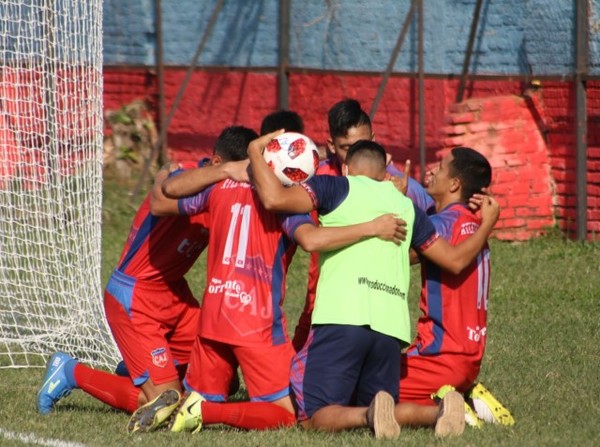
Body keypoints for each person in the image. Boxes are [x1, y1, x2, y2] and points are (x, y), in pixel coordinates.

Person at [127, 126, 405, 433]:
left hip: (213, 318)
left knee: (194, 395)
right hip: (255, 323)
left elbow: (166, 198)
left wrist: (177, 177)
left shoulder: (220, 186)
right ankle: (205, 412)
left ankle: (194, 406)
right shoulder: (286, 205)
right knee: (288, 414)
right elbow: (311, 239)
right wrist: (372, 225)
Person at [247, 133, 500, 439]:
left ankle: (368, 415)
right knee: (384, 406)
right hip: (390, 331)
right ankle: (440, 412)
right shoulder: (408, 209)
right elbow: (454, 260)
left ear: (346, 170)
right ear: (385, 175)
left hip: (342, 318)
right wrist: (487, 224)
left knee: (313, 416)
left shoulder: (334, 186)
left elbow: (274, 199)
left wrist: (254, 152)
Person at [37, 157, 212, 417]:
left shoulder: (232, 192)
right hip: (136, 298)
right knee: (167, 403)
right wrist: (164, 175)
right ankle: (71, 371)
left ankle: (134, 369)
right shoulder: (188, 180)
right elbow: (167, 180)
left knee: (217, 380)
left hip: (176, 294)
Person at [292, 98, 433, 351]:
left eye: (362, 144)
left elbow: (437, 228)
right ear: (331, 146)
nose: (354, 154)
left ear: (374, 139)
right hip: (320, 302)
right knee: (295, 376)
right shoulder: (317, 180)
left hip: (371, 309)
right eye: (346, 147)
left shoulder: (397, 183)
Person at [393, 147, 515, 429]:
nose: (432, 170)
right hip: (470, 360)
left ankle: (451, 409)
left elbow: (400, 256)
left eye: (440, 166)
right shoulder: (471, 223)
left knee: (366, 390)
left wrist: (395, 205)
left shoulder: (443, 225)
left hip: (437, 358)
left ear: (454, 184)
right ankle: (467, 395)